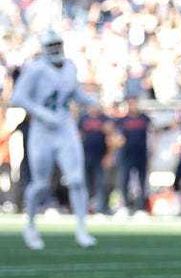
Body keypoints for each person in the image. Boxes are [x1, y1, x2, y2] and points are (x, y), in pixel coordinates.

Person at [9, 31, 98, 249]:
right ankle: (30, 225)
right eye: (52, 44)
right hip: (42, 131)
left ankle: (81, 229)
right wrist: (40, 113)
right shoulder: (36, 69)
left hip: (65, 128)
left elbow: (73, 93)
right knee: (40, 184)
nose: (57, 48)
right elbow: (17, 97)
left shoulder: (69, 66)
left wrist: (91, 100)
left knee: (76, 179)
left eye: (59, 43)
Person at [115, 97, 151, 213]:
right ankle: (124, 206)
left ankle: (140, 207)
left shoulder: (144, 118)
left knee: (142, 181)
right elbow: (116, 136)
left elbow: (153, 132)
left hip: (141, 154)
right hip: (126, 154)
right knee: (124, 180)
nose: (133, 106)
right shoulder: (122, 120)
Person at [78, 104, 113, 213]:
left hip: (100, 156)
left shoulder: (105, 119)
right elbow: (77, 136)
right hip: (85, 156)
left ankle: (101, 208)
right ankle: (84, 208)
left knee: (101, 183)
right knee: (85, 183)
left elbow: (111, 138)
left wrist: (108, 155)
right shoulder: (83, 118)